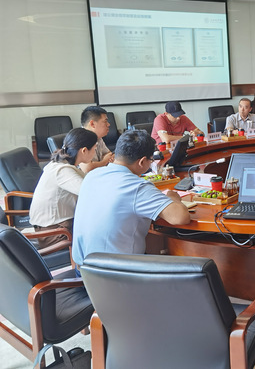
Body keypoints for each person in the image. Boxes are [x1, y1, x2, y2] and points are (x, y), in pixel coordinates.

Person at [72, 130, 191, 268]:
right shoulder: (137, 187)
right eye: (151, 160)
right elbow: (180, 217)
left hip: (84, 269)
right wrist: (173, 198)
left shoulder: (92, 176)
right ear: (142, 162)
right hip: (118, 274)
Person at [29, 128, 98, 248]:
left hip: (58, 226)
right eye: (95, 149)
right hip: (55, 233)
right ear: (84, 150)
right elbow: (91, 193)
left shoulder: (60, 164)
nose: (95, 153)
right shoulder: (62, 171)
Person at [79, 105, 114, 172]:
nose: (108, 124)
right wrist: (104, 161)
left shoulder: (97, 137)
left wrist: (100, 162)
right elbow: (87, 169)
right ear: (92, 124)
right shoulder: (80, 139)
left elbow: (109, 154)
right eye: (105, 121)